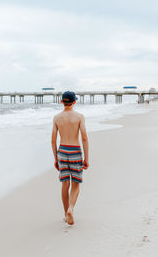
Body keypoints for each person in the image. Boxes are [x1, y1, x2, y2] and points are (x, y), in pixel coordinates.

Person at [51, 91, 89, 225]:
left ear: (62, 102)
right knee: (75, 183)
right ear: (74, 102)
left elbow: (53, 140)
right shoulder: (79, 117)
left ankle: (65, 214)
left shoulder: (56, 118)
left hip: (62, 151)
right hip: (75, 151)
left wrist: (56, 158)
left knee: (64, 183)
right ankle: (71, 209)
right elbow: (84, 137)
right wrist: (86, 158)